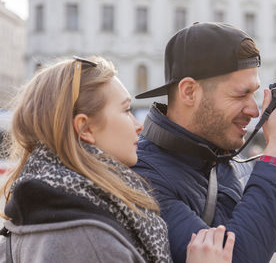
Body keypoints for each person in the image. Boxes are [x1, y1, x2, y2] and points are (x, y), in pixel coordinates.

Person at [0, 56, 235, 263]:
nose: (138, 125)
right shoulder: (88, 240)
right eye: (125, 110)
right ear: (85, 129)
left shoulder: (49, 205)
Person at [133, 22, 276, 263]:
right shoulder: (142, 177)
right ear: (189, 92)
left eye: (255, 94)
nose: (254, 110)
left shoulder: (227, 160)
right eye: (240, 94)